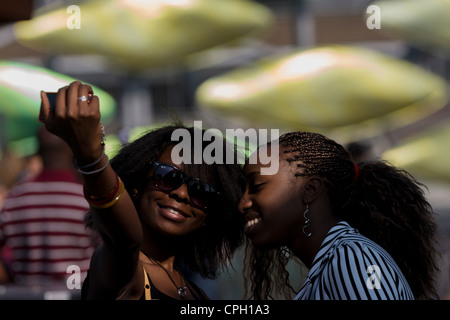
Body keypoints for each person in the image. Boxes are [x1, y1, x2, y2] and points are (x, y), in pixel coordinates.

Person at [39, 81, 246, 300]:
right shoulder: (120, 266)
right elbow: (123, 239)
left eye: (201, 192)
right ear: (138, 183)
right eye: (168, 177)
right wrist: (91, 156)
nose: (182, 194)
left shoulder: (197, 294)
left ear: (210, 214)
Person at [239, 131, 440, 300]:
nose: (243, 203)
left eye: (256, 186)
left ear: (310, 190)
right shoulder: (338, 261)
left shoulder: (353, 258)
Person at [0, 127, 98, 287]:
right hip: (78, 293)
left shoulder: (14, 199)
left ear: (38, 151)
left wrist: (12, 282)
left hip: (26, 296)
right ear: (71, 151)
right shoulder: (88, 200)